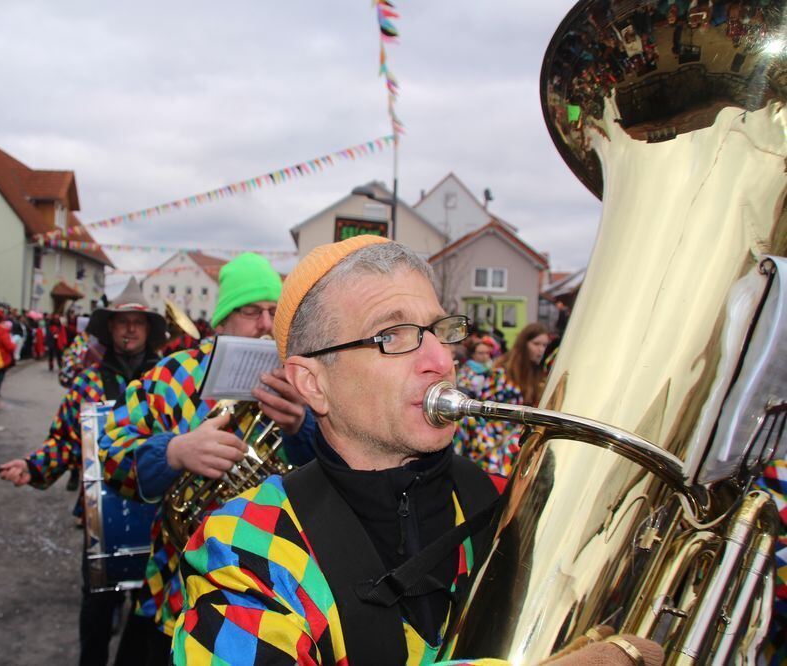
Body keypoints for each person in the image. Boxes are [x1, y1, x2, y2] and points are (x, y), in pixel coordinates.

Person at [172, 236, 661, 666]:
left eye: (439, 330)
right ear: (312, 383)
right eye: (393, 336)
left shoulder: (505, 503)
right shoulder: (243, 546)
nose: (440, 360)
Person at [99, 252, 316, 663]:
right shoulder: (171, 376)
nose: (266, 324)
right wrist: (175, 452)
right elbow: (109, 455)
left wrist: (302, 428)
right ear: (222, 319)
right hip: (176, 587)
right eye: (251, 310)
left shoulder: (298, 379)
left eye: (274, 311)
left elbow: (337, 469)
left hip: (276, 591)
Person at [0, 280, 167, 666]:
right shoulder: (87, 382)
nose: (129, 329)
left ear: (148, 331)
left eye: (137, 323)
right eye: (121, 322)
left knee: (146, 621)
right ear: (110, 329)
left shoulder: (166, 381)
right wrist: (32, 465)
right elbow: (64, 439)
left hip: (158, 521)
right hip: (101, 519)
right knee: (96, 615)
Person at [451, 322, 550, 475]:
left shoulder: (540, 375)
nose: (540, 350)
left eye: (544, 345)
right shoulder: (502, 372)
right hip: (492, 432)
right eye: (536, 344)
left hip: (519, 434)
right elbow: (483, 408)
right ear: (524, 344)